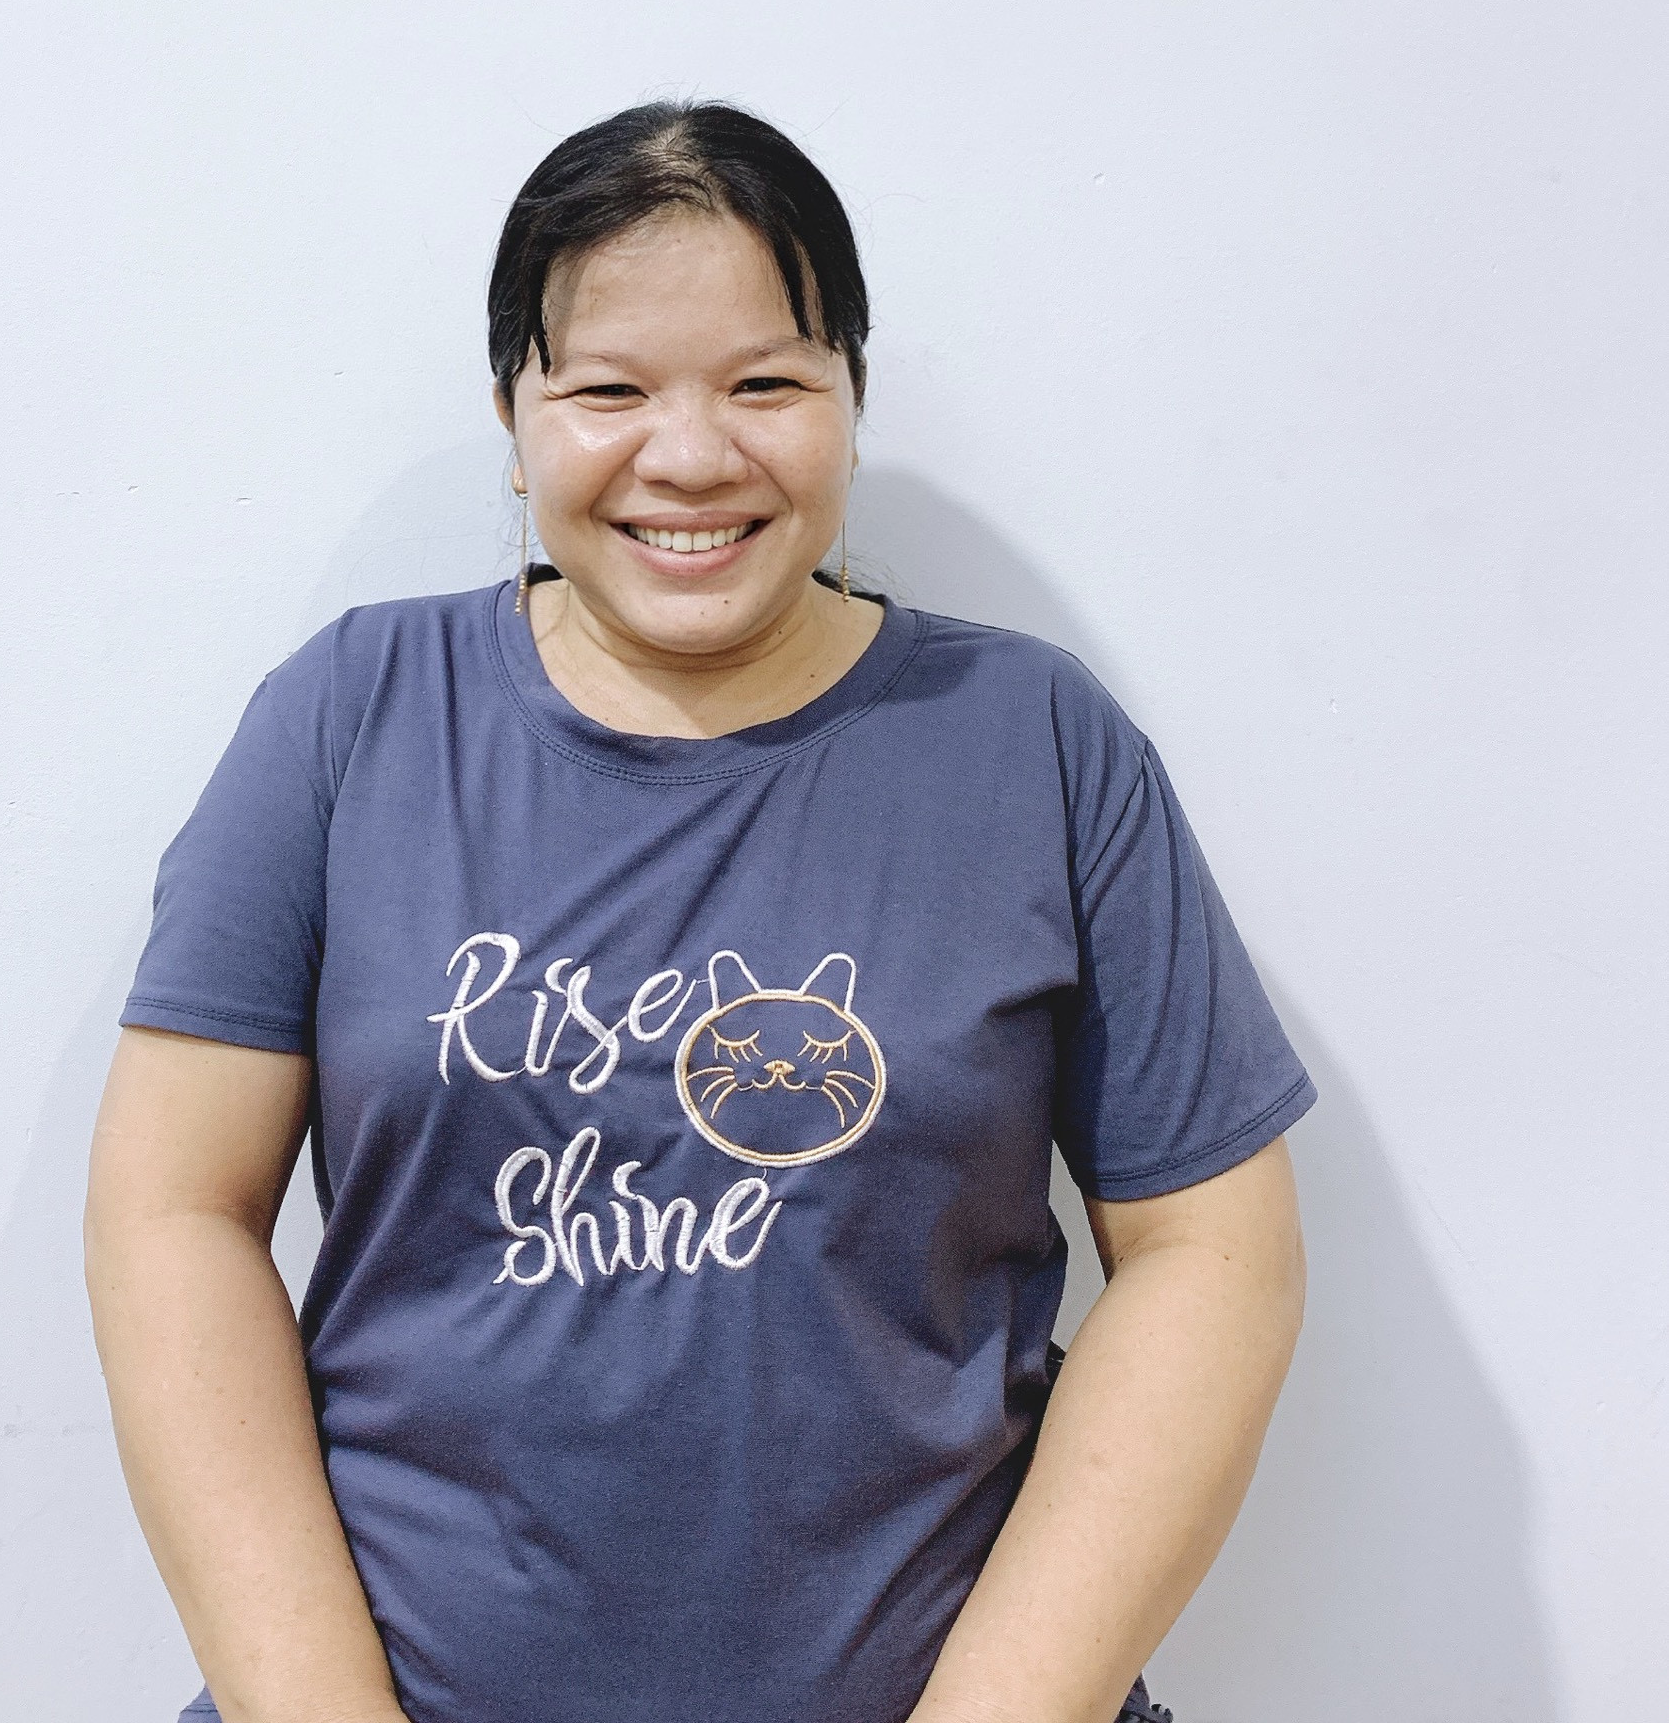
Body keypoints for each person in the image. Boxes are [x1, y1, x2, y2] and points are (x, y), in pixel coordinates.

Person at [84, 99, 1314, 1723]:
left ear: (849, 400)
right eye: (606, 390)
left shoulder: (1032, 740)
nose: (688, 456)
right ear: (513, 416)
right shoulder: (351, 716)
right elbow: (173, 1212)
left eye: (766, 385)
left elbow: (1209, 1254)